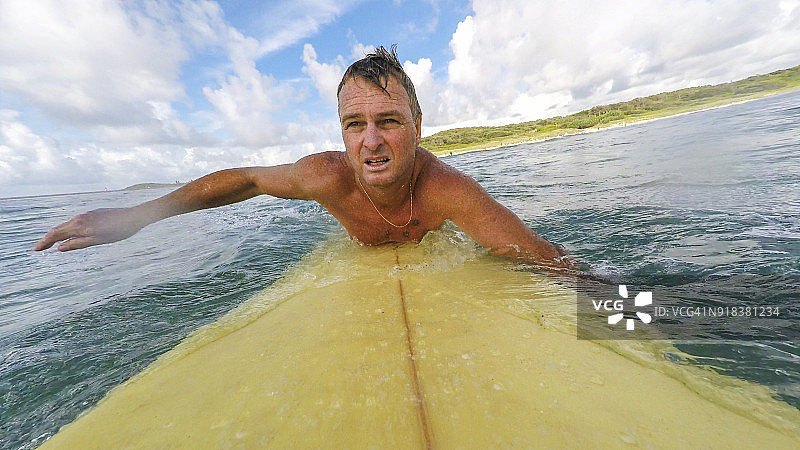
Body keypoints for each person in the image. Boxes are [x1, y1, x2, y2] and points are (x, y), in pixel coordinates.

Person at [34, 46, 572, 270]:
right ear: (341, 132)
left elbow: (547, 261)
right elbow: (244, 179)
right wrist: (137, 217)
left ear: (417, 127)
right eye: (354, 125)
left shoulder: (448, 190)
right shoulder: (325, 177)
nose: (371, 141)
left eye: (388, 121)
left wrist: (651, 316)